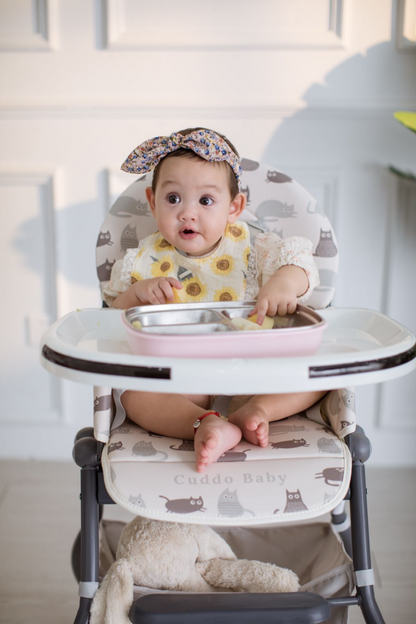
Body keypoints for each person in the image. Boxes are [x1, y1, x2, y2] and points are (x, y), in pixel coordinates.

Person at [103, 127, 326, 472]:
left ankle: (258, 411)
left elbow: (300, 262)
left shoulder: (255, 249)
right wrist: (134, 296)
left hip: (255, 373)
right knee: (134, 396)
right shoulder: (139, 261)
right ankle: (205, 423)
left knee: (323, 377)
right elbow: (108, 324)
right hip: (180, 381)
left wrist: (283, 283)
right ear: (152, 201)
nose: (188, 213)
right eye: (173, 199)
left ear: (234, 207)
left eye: (206, 201)